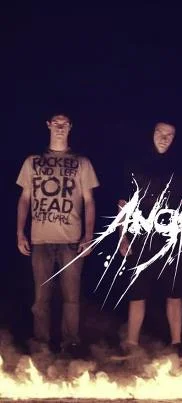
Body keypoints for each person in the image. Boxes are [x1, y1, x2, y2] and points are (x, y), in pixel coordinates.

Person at [16, 113, 99, 355]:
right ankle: (41, 345)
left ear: (70, 127)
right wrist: (20, 233)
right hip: (40, 239)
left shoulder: (82, 162)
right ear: (49, 125)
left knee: (71, 298)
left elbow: (89, 201)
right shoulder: (32, 161)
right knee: (41, 298)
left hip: (71, 240)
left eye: (64, 124)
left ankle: (70, 344)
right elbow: (24, 199)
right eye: (56, 123)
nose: (60, 127)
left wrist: (88, 235)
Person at [113, 121, 182, 359]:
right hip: (140, 237)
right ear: (152, 134)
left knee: (174, 291)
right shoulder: (134, 164)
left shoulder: (181, 167)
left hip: (170, 238)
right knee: (137, 291)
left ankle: (177, 345)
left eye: (169, 135)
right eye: (160, 133)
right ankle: (131, 345)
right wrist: (122, 236)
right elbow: (123, 204)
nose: (164, 138)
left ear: (174, 138)